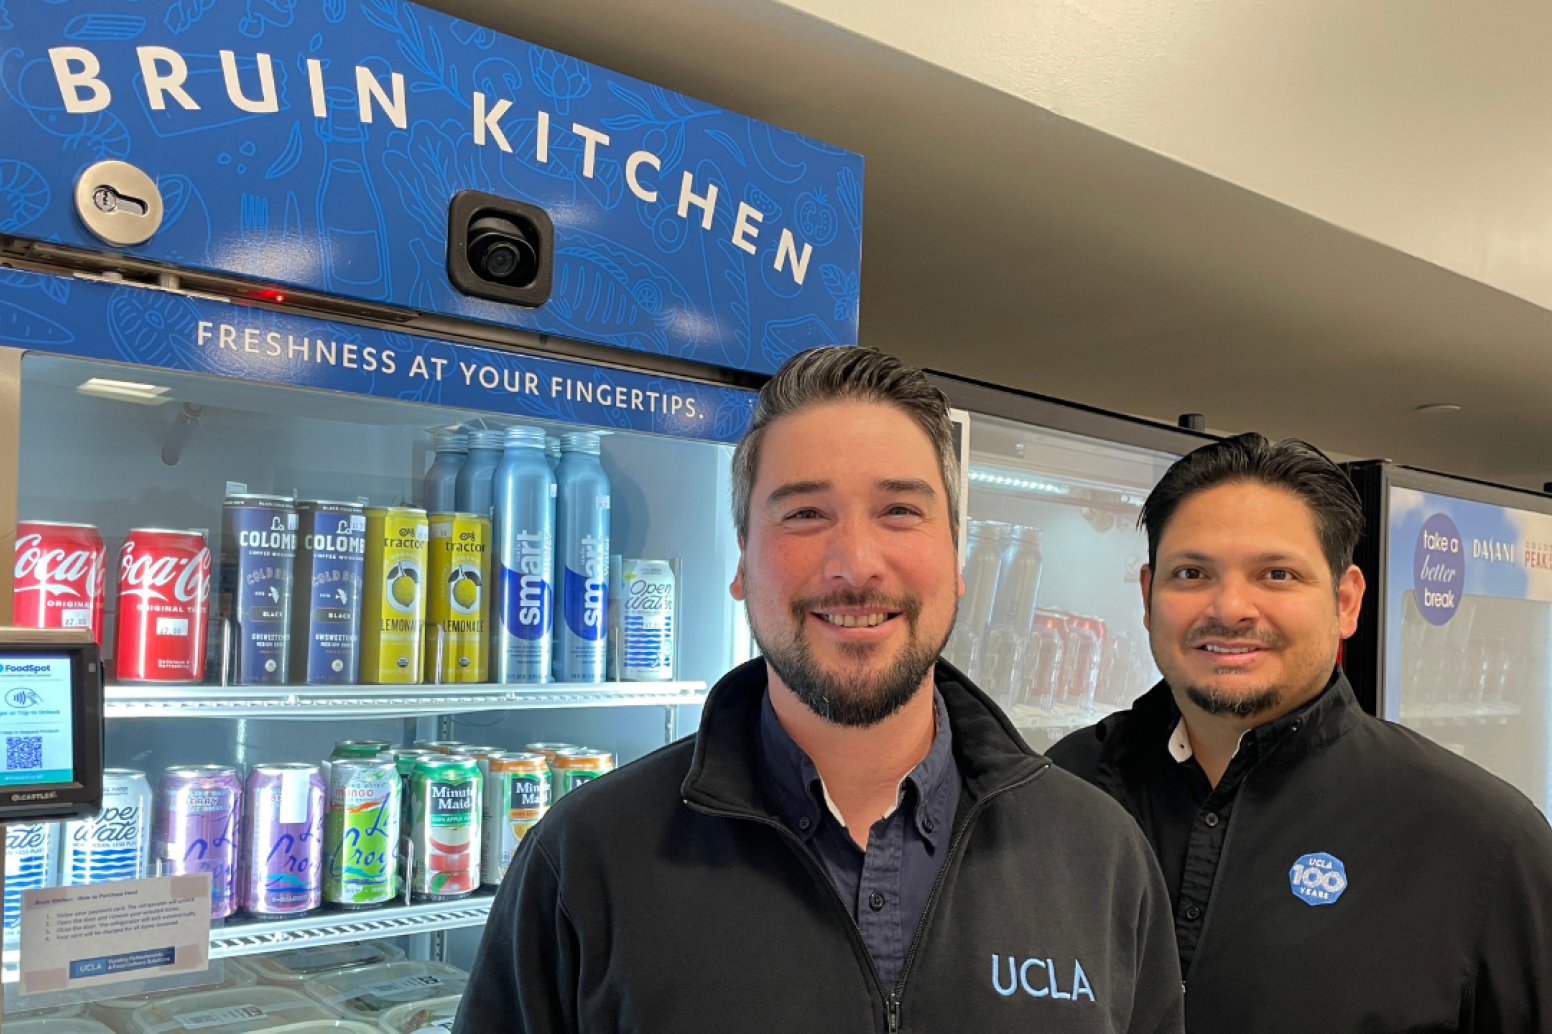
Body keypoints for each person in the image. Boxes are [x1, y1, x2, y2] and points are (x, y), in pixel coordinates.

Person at [456, 347, 1184, 1033]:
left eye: (900, 510)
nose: (855, 564)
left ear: (956, 558)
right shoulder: (586, 856)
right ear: (742, 560)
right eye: (804, 513)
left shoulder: (1100, 855)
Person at [1049, 433, 1552, 1033]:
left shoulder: (1485, 842)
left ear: (1345, 602)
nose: (1230, 608)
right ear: (1148, 597)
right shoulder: (1057, 794)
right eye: (1191, 573)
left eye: (1277, 574)